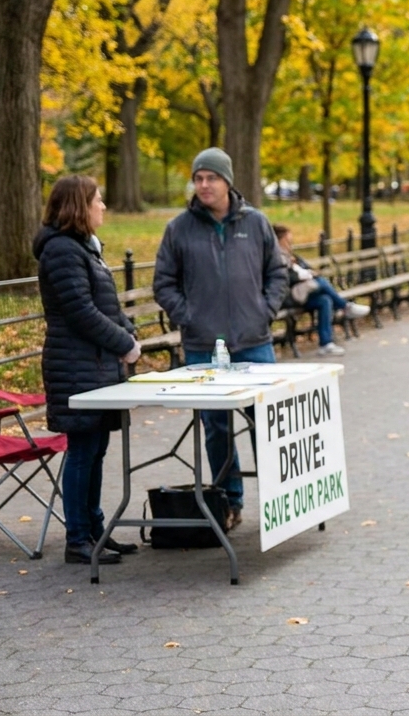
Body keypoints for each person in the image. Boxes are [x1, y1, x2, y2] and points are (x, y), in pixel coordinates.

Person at [154, 147, 287, 531]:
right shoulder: (179, 228)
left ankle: (279, 499)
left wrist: (265, 310)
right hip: (203, 347)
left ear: (227, 181)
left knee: (267, 420)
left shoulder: (256, 223)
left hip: (254, 341)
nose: (204, 185)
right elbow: (163, 282)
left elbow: (277, 273)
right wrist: (188, 316)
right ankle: (229, 500)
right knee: (216, 427)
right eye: (198, 178)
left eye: (211, 177)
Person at [34, 176, 141, 565]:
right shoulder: (62, 250)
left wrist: (127, 330)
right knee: (82, 449)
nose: (104, 207)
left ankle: (94, 529)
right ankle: (77, 537)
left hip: (94, 365)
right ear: (80, 206)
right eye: (98, 200)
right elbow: (80, 312)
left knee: (96, 448)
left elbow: (103, 305)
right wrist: (124, 343)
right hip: (75, 365)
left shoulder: (84, 248)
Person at [273, 225, 370, 355]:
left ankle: (326, 344)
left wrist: (304, 269)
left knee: (325, 300)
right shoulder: (273, 257)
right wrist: (304, 275)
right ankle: (345, 307)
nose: (290, 243)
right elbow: (283, 277)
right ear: (278, 240)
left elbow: (308, 268)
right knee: (321, 282)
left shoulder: (290, 255)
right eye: (287, 240)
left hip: (302, 295)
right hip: (287, 297)